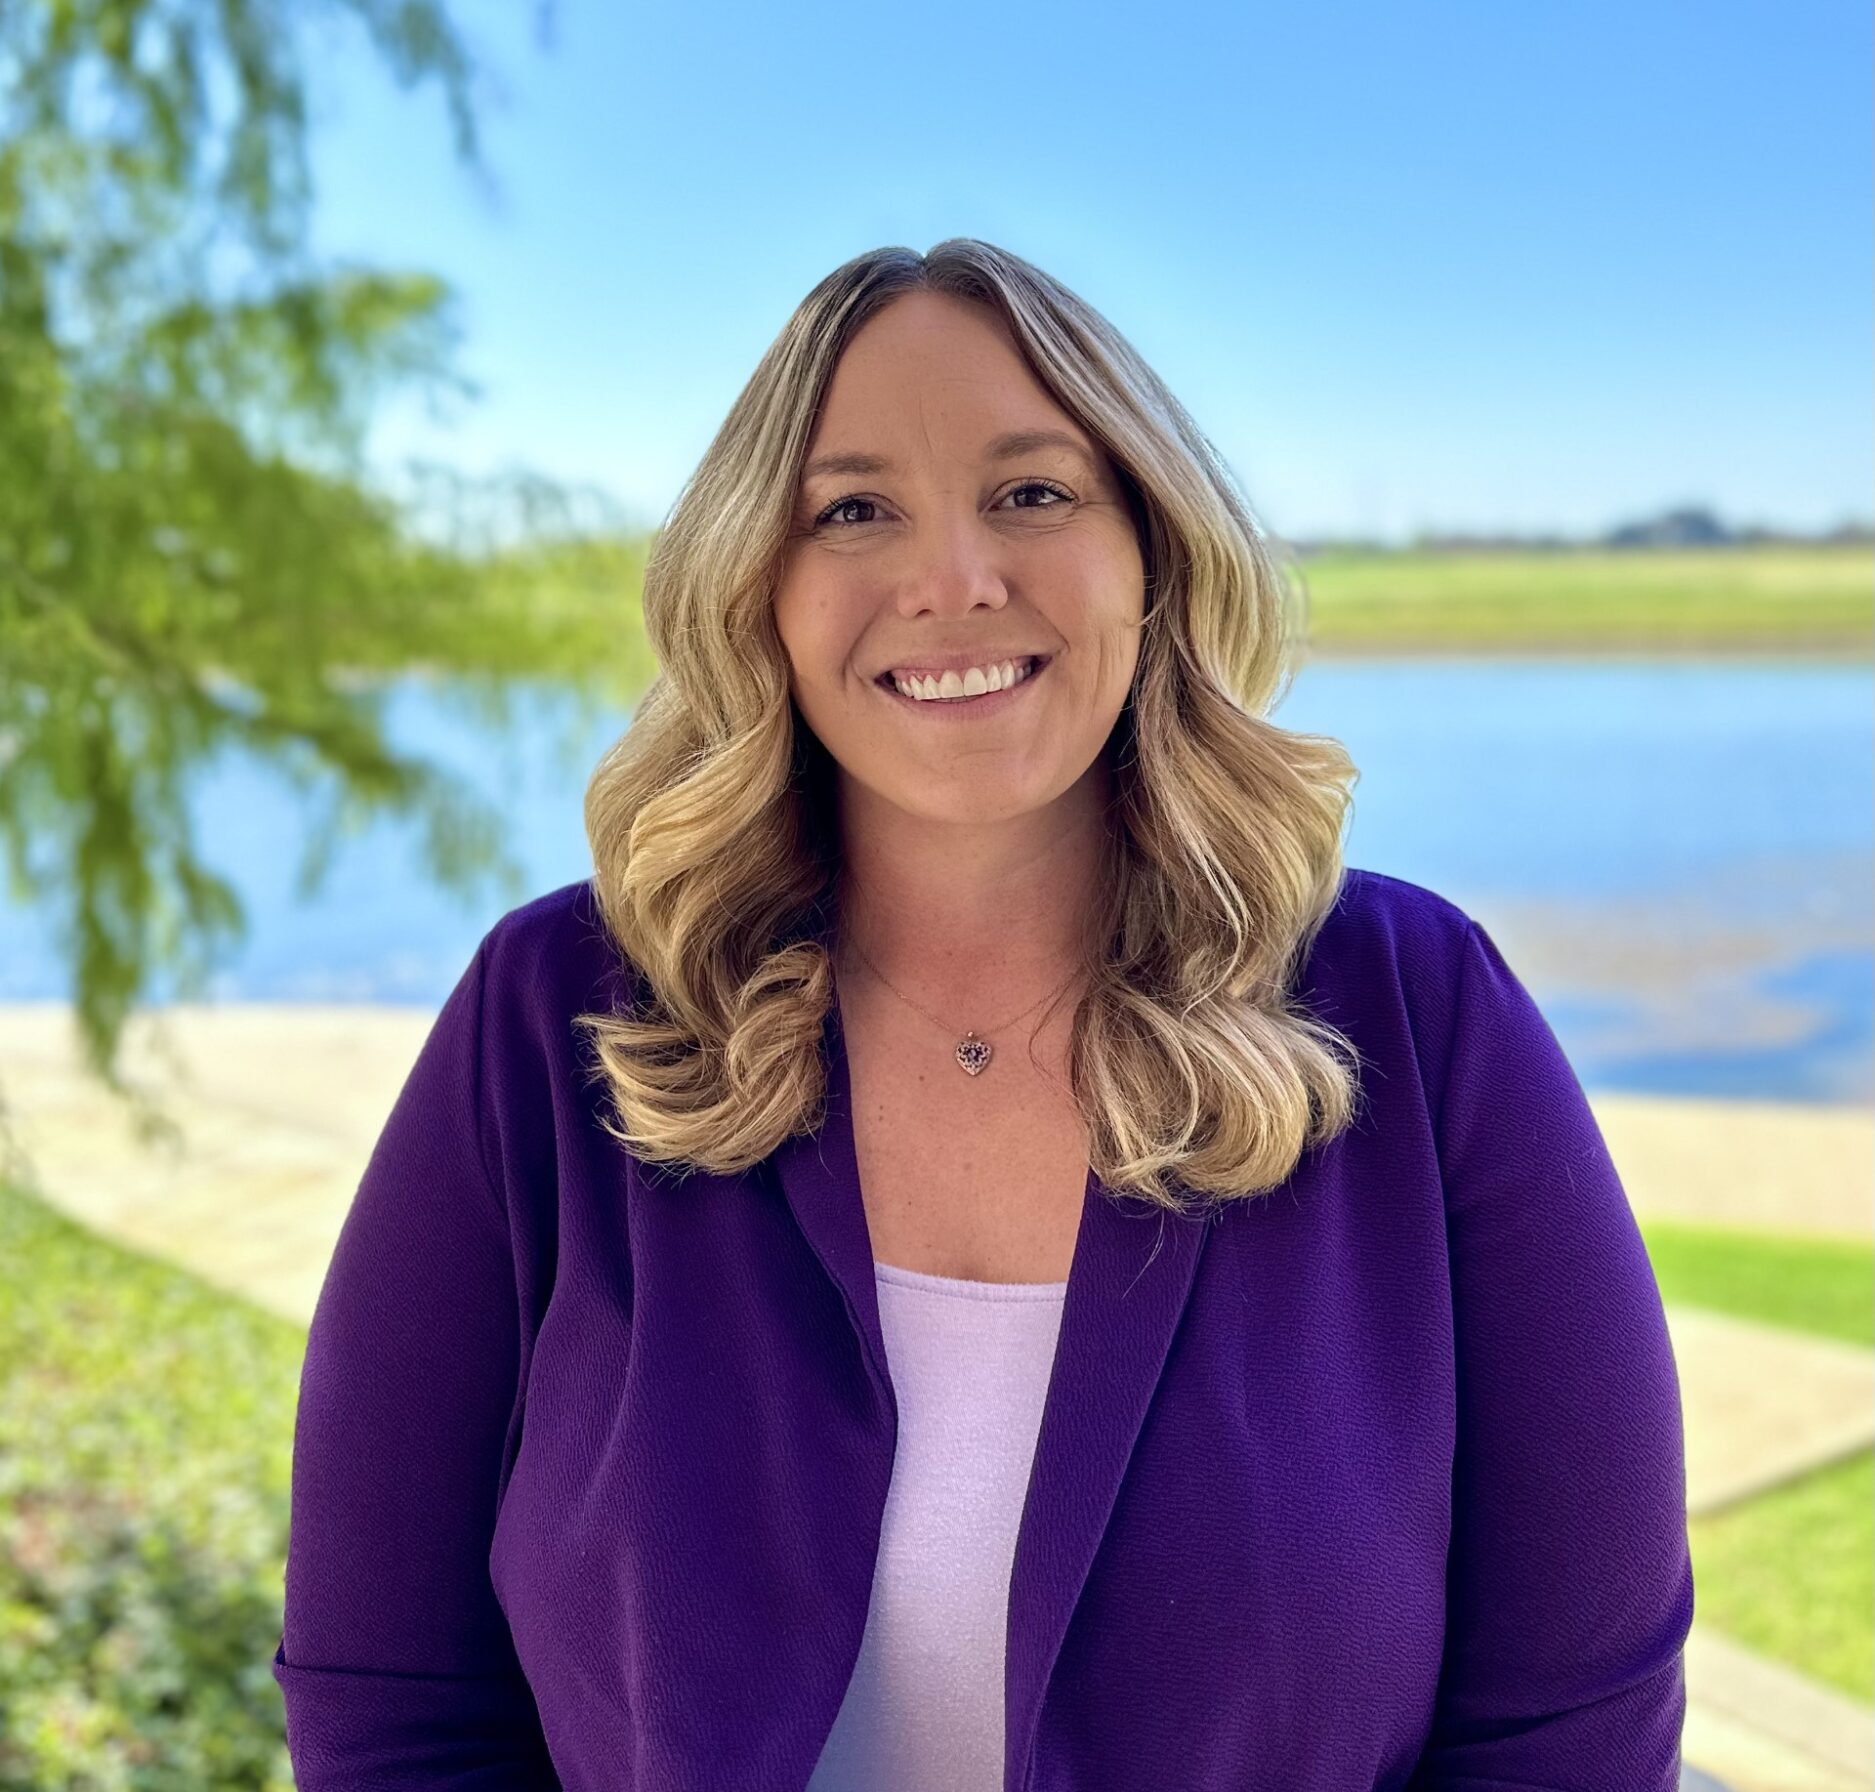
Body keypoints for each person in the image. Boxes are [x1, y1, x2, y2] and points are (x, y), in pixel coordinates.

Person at [272, 240, 1694, 1789]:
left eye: (1034, 492)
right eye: (853, 509)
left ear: (1153, 551)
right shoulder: (551, 1028)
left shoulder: (1420, 1023)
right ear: (756, 584)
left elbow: (1573, 1726)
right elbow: (390, 1695)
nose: (953, 580)